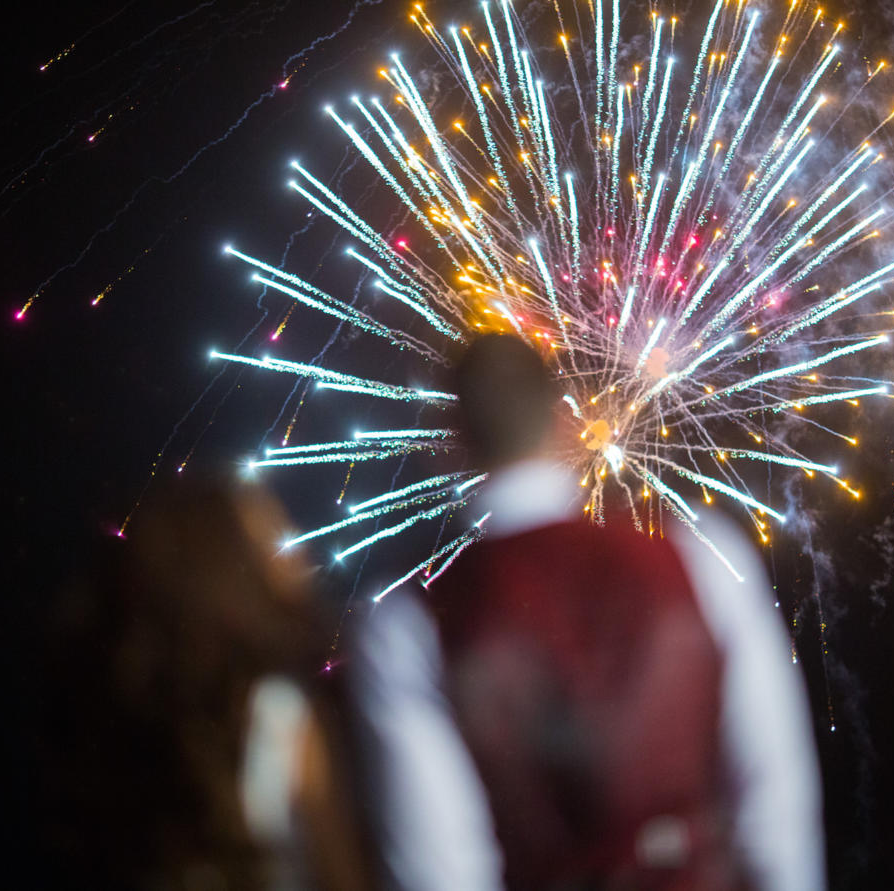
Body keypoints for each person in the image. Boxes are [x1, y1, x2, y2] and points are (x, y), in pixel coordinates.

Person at [352, 334, 825, 891]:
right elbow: (776, 799)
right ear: (563, 422)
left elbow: (440, 871)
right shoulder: (702, 555)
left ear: (451, 442)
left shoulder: (406, 627)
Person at [42, 477, 371, 891]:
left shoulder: (119, 727)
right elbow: (337, 871)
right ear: (225, 568)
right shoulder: (281, 716)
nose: (301, 550)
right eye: (275, 537)